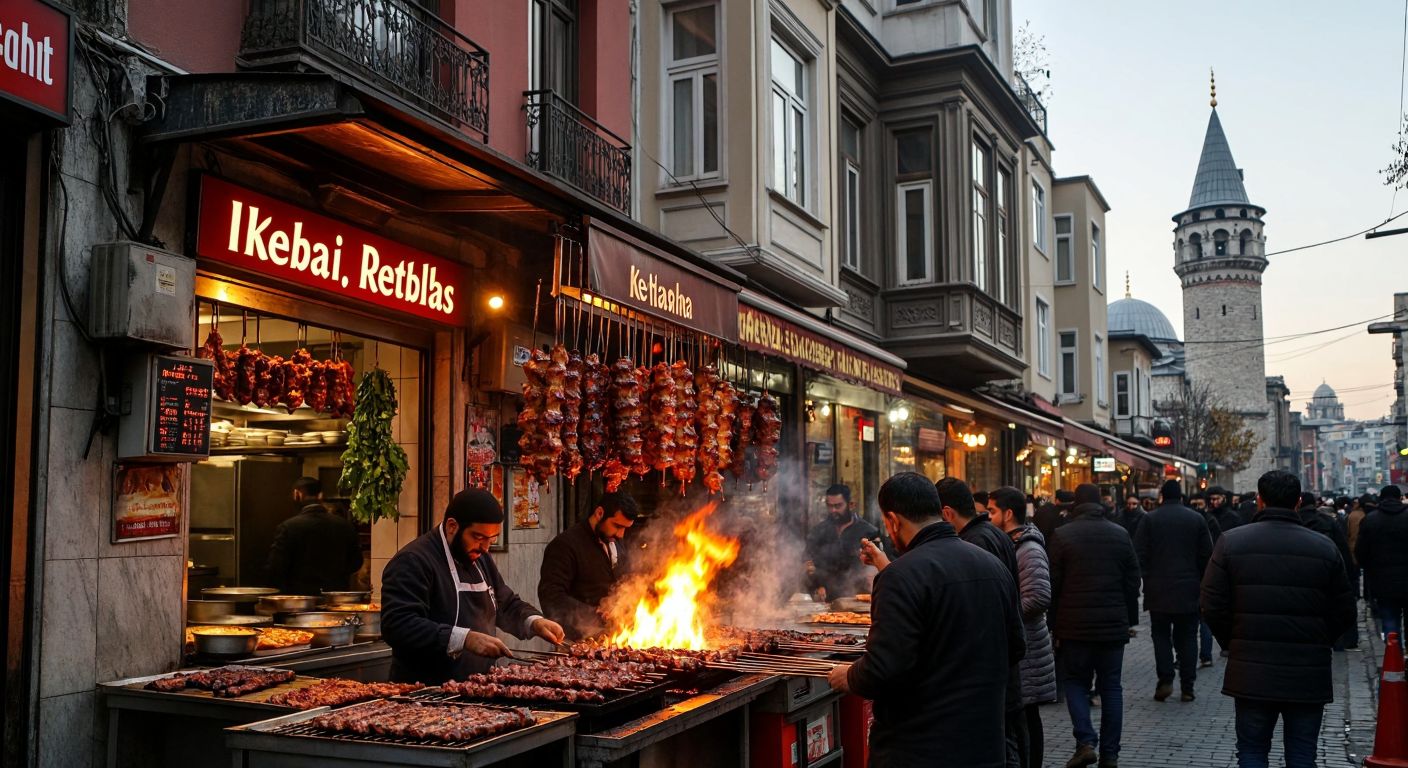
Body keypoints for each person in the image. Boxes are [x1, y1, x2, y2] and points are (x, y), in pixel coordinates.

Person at [826, 472, 1024, 767]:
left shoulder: (899, 577)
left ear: (893, 520)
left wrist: (849, 676)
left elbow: (883, 669)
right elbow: (1017, 647)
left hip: (918, 749)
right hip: (984, 745)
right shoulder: (993, 566)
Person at [1200, 470, 1355, 768]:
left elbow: (1211, 604)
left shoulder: (1231, 543)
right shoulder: (1323, 547)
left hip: (1252, 669)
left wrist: (1232, 641)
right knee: (1301, 752)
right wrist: (1320, 639)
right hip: (1307, 670)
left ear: (1260, 500)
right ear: (1298, 502)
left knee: (1252, 750)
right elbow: (1345, 610)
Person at [381, 488, 564, 684]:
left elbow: (505, 603)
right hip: (425, 692)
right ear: (452, 526)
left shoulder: (480, 559)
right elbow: (398, 625)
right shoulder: (413, 561)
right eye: (478, 538)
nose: (485, 548)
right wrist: (464, 638)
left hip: (475, 689)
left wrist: (533, 622)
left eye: (491, 539)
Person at [1048, 483, 1141, 768]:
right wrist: (1129, 620)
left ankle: (1086, 741)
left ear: (1075, 504)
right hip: (1112, 626)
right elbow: (1132, 581)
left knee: (1075, 682)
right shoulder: (1120, 534)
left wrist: (1054, 626)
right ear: (1101, 503)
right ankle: (1111, 754)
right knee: (1111, 687)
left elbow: (1053, 585)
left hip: (1074, 626)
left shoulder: (1062, 536)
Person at [937, 477, 1022, 767]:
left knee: (1000, 746)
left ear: (947, 513)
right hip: (999, 662)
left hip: (987, 667)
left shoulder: (975, 542)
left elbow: (974, 605)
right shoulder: (992, 533)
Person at [990, 486, 1056, 768]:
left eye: (991, 511)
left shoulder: (1027, 548)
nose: (988, 517)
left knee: (1027, 718)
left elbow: (1040, 597)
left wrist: (1006, 614)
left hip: (1028, 647)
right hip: (1022, 645)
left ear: (1007, 514)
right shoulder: (1010, 544)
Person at [1133, 480, 1213, 703]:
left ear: (1162, 496)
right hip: (1189, 588)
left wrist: (1146, 577)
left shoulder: (1149, 519)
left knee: (1160, 636)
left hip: (1158, 589)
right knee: (1188, 637)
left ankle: (1165, 678)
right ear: (1181, 496)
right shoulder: (1196, 519)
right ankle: (1188, 686)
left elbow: (1138, 553)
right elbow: (1208, 555)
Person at [538, 492, 639, 639]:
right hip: (578, 640)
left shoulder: (616, 540)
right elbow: (551, 596)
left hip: (617, 638)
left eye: (625, 528)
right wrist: (594, 614)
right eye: (617, 526)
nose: (621, 534)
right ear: (599, 513)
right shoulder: (565, 545)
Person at [264, 477, 363, 596]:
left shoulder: (288, 527)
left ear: (297, 494)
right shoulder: (344, 525)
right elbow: (356, 562)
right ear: (320, 496)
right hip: (335, 597)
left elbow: (275, 568)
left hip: (299, 598)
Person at [805, 484, 881, 602]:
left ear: (851, 505)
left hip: (859, 599)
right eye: (829, 506)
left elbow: (877, 566)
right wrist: (816, 585)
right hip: (825, 600)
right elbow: (808, 563)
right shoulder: (818, 532)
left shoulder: (868, 531)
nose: (833, 510)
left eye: (838, 506)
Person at [1355, 484, 1408, 641]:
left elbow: (1360, 551)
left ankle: (1394, 658)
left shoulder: (1370, 520)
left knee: (1390, 620)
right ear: (1399, 498)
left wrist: (1369, 569)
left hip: (1383, 580)